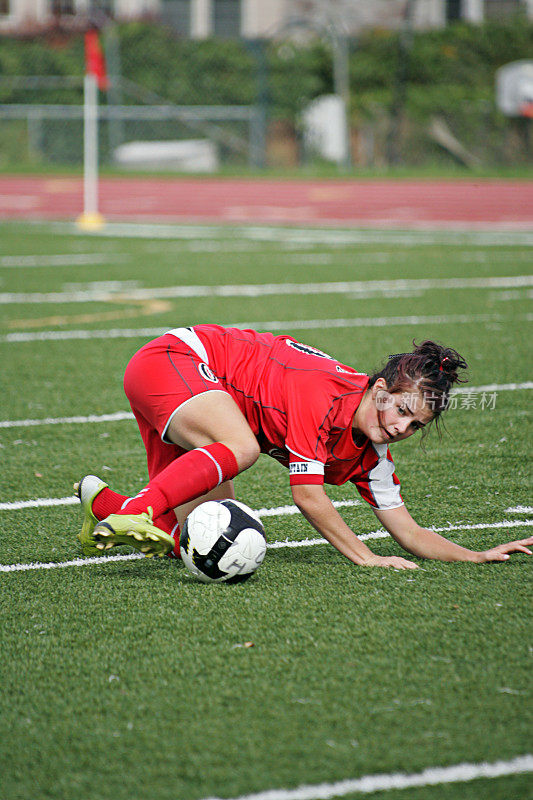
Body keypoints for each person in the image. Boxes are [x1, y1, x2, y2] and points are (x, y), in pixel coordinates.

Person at [74, 324, 533, 569]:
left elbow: (409, 534)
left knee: (207, 530)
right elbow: (307, 495)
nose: (401, 427)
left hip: (193, 390)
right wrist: (367, 558)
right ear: (378, 391)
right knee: (242, 447)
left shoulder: (373, 458)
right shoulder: (325, 393)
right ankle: (138, 508)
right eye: (400, 410)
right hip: (177, 360)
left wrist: (477, 554)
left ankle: (110, 506)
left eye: (416, 423)